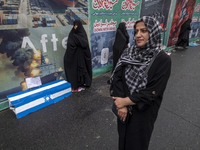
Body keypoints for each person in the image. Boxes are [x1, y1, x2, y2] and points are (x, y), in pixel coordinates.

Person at [109, 16, 171, 150]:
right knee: (123, 140)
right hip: (123, 110)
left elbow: (153, 92)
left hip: (142, 113)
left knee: (136, 144)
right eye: (136, 31)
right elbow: (117, 77)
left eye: (144, 31)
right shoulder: (128, 52)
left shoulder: (162, 60)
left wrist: (126, 101)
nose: (138, 35)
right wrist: (121, 106)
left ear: (153, 32)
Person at [64, 20, 92, 92]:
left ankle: (81, 85)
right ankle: (75, 86)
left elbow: (85, 44)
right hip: (73, 57)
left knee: (81, 71)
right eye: (74, 25)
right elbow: (70, 45)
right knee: (74, 71)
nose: (75, 27)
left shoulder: (82, 33)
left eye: (77, 25)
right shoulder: (72, 34)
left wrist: (76, 39)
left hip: (81, 57)